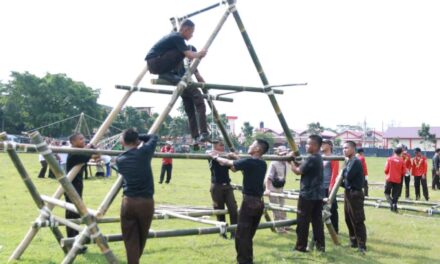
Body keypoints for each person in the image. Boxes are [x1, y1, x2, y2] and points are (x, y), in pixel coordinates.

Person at [145, 20, 209, 143]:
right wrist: (199, 54)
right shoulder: (178, 41)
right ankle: (204, 132)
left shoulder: (178, 47)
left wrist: (203, 83)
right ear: (186, 29)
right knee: (199, 100)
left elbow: (196, 72)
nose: (192, 35)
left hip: (166, 70)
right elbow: (189, 54)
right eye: (191, 32)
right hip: (157, 64)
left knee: (190, 107)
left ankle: (196, 137)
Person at [212, 139, 269, 264]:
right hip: (259, 203)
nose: (249, 145)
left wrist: (215, 157)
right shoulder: (262, 163)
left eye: (252, 144)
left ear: (257, 149)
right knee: (248, 235)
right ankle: (248, 260)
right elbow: (234, 168)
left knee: (242, 235)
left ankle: (244, 261)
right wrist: (236, 158)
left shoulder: (250, 162)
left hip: (249, 203)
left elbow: (227, 162)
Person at [116, 128, 158, 264]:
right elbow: (153, 137)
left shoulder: (120, 160)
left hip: (128, 202)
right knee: (141, 237)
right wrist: (137, 137)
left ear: (123, 142)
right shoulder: (144, 152)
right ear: (136, 140)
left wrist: (133, 138)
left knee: (130, 239)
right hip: (146, 202)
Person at [290, 135, 325, 253]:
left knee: (303, 222)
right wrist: (295, 161)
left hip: (308, 195)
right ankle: (321, 247)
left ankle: (300, 247)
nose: (306, 145)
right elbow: (303, 167)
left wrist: (290, 161)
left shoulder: (311, 158)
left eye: (308, 143)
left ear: (315, 146)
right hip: (318, 195)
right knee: (317, 221)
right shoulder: (318, 157)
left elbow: (297, 171)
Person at [65, 133, 94, 252]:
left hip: (77, 185)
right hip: (71, 186)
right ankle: (72, 243)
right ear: (72, 142)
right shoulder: (74, 153)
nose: (84, 140)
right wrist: (91, 147)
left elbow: (92, 155)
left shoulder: (78, 151)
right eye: (80, 139)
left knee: (76, 214)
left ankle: (75, 241)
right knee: (72, 214)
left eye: (84, 138)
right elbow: (87, 156)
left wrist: (91, 148)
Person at [208, 140, 238, 239]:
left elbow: (233, 169)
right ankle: (222, 232)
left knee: (233, 208)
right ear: (215, 147)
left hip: (227, 186)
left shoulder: (225, 157)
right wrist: (228, 154)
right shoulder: (211, 154)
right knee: (219, 210)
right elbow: (213, 155)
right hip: (216, 186)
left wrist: (235, 158)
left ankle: (234, 232)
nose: (223, 147)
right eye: (221, 145)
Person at [341, 141, 367, 254]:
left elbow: (347, 176)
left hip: (355, 194)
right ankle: (353, 241)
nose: (344, 150)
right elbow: (344, 178)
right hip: (348, 192)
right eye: (343, 148)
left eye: (346, 148)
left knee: (357, 219)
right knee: (348, 218)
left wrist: (343, 173)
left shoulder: (355, 161)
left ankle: (362, 245)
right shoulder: (349, 161)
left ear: (353, 149)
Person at [263, 146, 289, 233]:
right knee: (276, 209)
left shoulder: (285, 163)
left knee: (283, 207)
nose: (284, 156)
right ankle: (279, 228)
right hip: (272, 188)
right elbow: (268, 177)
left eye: (285, 154)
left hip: (280, 187)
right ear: (278, 154)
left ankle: (285, 224)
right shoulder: (274, 163)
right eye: (282, 154)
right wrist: (267, 189)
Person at [323, 139, 340, 233]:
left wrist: (331, 187)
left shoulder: (333, 157)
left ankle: (335, 229)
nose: (322, 145)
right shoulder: (321, 157)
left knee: (332, 208)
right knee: (321, 208)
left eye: (324, 144)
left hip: (329, 187)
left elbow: (335, 173)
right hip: (321, 187)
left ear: (329, 146)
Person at [384, 147, 406, 212]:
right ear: (401, 153)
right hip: (397, 179)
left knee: (386, 192)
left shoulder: (389, 159)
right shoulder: (402, 160)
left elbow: (385, 170)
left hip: (389, 179)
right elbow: (403, 172)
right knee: (395, 195)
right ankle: (394, 205)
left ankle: (391, 203)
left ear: (394, 152)